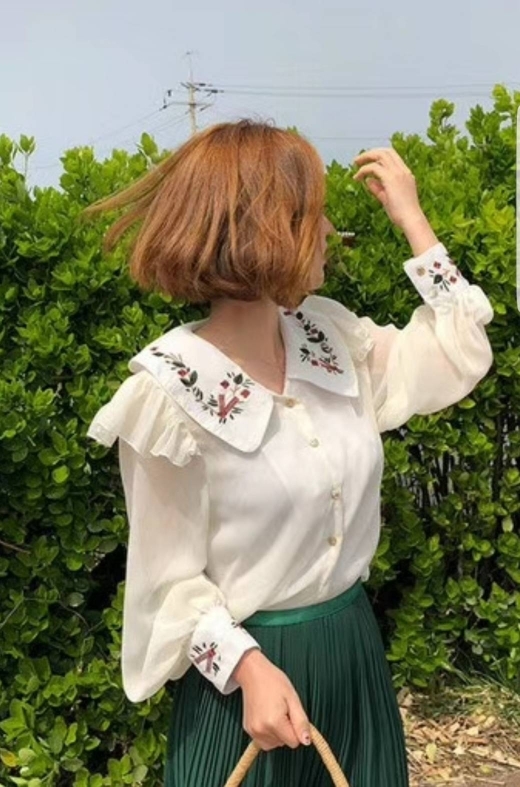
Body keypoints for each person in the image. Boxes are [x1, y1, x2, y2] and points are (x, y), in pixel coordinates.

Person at [85, 119, 494, 787]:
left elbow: (459, 355)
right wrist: (247, 668)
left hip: (352, 656)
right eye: (313, 215)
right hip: (247, 691)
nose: (329, 231)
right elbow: (166, 586)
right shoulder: (168, 394)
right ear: (267, 229)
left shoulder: (330, 337)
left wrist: (414, 221)